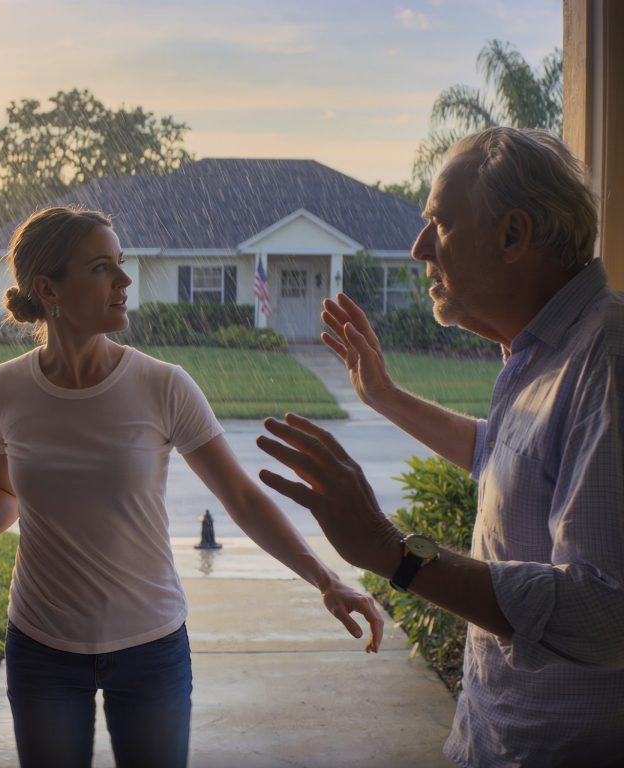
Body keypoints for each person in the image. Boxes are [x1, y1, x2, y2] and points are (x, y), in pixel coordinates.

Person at [0, 205, 383, 768]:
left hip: (150, 645)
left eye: (120, 263)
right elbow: (6, 492)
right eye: (101, 268)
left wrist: (325, 578)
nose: (124, 280)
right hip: (41, 644)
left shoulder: (162, 386)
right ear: (48, 289)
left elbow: (240, 497)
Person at [256, 127, 624, 767]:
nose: (419, 246)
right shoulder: (545, 350)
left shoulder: (608, 359)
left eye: (439, 223)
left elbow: (606, 611)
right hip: (493, 739)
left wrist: (391, 551)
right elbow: (511, 460)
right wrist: (387, 398)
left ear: (512, 236)